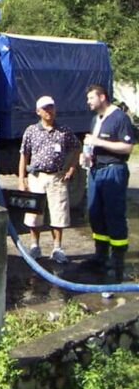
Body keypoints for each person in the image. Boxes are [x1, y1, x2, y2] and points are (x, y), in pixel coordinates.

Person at [81, 84, 135, 283]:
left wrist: (99, 142)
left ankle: (117, 263)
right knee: (95, 213)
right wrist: (86, 156)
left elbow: (127, 147)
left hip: (113, 170)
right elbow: (92, 144)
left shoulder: (119, 118)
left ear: (102, 97)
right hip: (96, 170)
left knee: (114, 214)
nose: (88, 102)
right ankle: (100, 256)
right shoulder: (97, 118)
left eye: (91, 98)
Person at [18, 95, 80, 263]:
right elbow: (24, 155)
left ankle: (57, 248)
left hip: (56, 177)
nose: (49, 111)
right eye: (45, 109)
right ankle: (34, 246)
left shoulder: (64, 131)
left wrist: (71, 169)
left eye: (51, 107)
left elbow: (77, 148)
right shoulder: (31, 131)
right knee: (34, 214)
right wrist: (22, 179)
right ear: (38, 112)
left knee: (58, 213)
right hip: (37, 177)